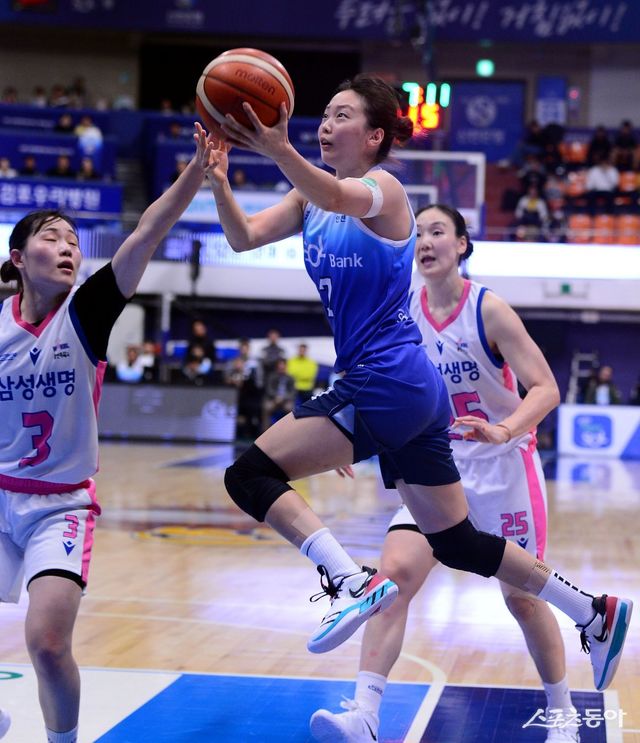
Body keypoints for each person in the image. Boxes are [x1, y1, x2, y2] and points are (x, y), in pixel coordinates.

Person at [202, 75, 632, 684]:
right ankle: (592, 611)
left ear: (374, 136)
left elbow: (338, 194)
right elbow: (242, 237)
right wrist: (219, 180)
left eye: (342, 115)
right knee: (456, 542)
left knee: (247, 474)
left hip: (387, 380)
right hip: (405, 390)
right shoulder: (306, 199)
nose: (325, 125)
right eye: (323, 114)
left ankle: (349, 580)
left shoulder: (386, 189)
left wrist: (277, 148)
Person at [310, 205, 580, 743]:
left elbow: (546, 387)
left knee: (522, 599)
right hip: (435, 465)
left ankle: (564, 714)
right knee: (393, 579)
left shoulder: (489, 310)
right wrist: (343, 427)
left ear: (461, 245)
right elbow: (374, 381)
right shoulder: (402, 311)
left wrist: (504, 429)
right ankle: (364, 715)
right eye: (420, 234)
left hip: (503, 467)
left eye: (438, 232)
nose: (426, 242)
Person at [0, 123, 215, 743]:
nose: (68, 247)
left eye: (73, 240)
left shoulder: (87, 311)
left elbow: (147, 231)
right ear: (18, 259)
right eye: (51, 238)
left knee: (46, 643)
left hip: (59, 506)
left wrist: (197, 169)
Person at [262, 357, 296, 432]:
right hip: (273, 399)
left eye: (283, 366)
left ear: (286, 367)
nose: (281, 368)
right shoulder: (272, 376)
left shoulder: (290, 378)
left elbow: (293, 392)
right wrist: (276, 397)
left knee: (290, 409)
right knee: (266, 408)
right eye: (280, 366)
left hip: (286, 400)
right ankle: (265, 432)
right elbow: (269, 390)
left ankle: (288, 431)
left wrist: (283, 398)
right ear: (277, 367)